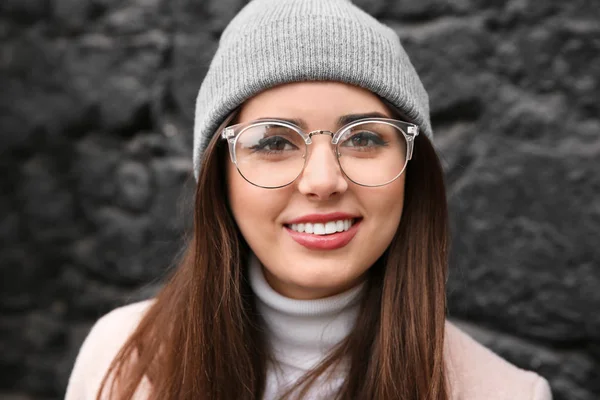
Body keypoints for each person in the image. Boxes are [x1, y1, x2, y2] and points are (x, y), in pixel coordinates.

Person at [65, 0, 553, 399]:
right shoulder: (122, 361)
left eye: (363, 138)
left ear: (412, 170)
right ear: (219, 177)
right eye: (274, 142)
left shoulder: (506, 393)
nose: (322, 181)